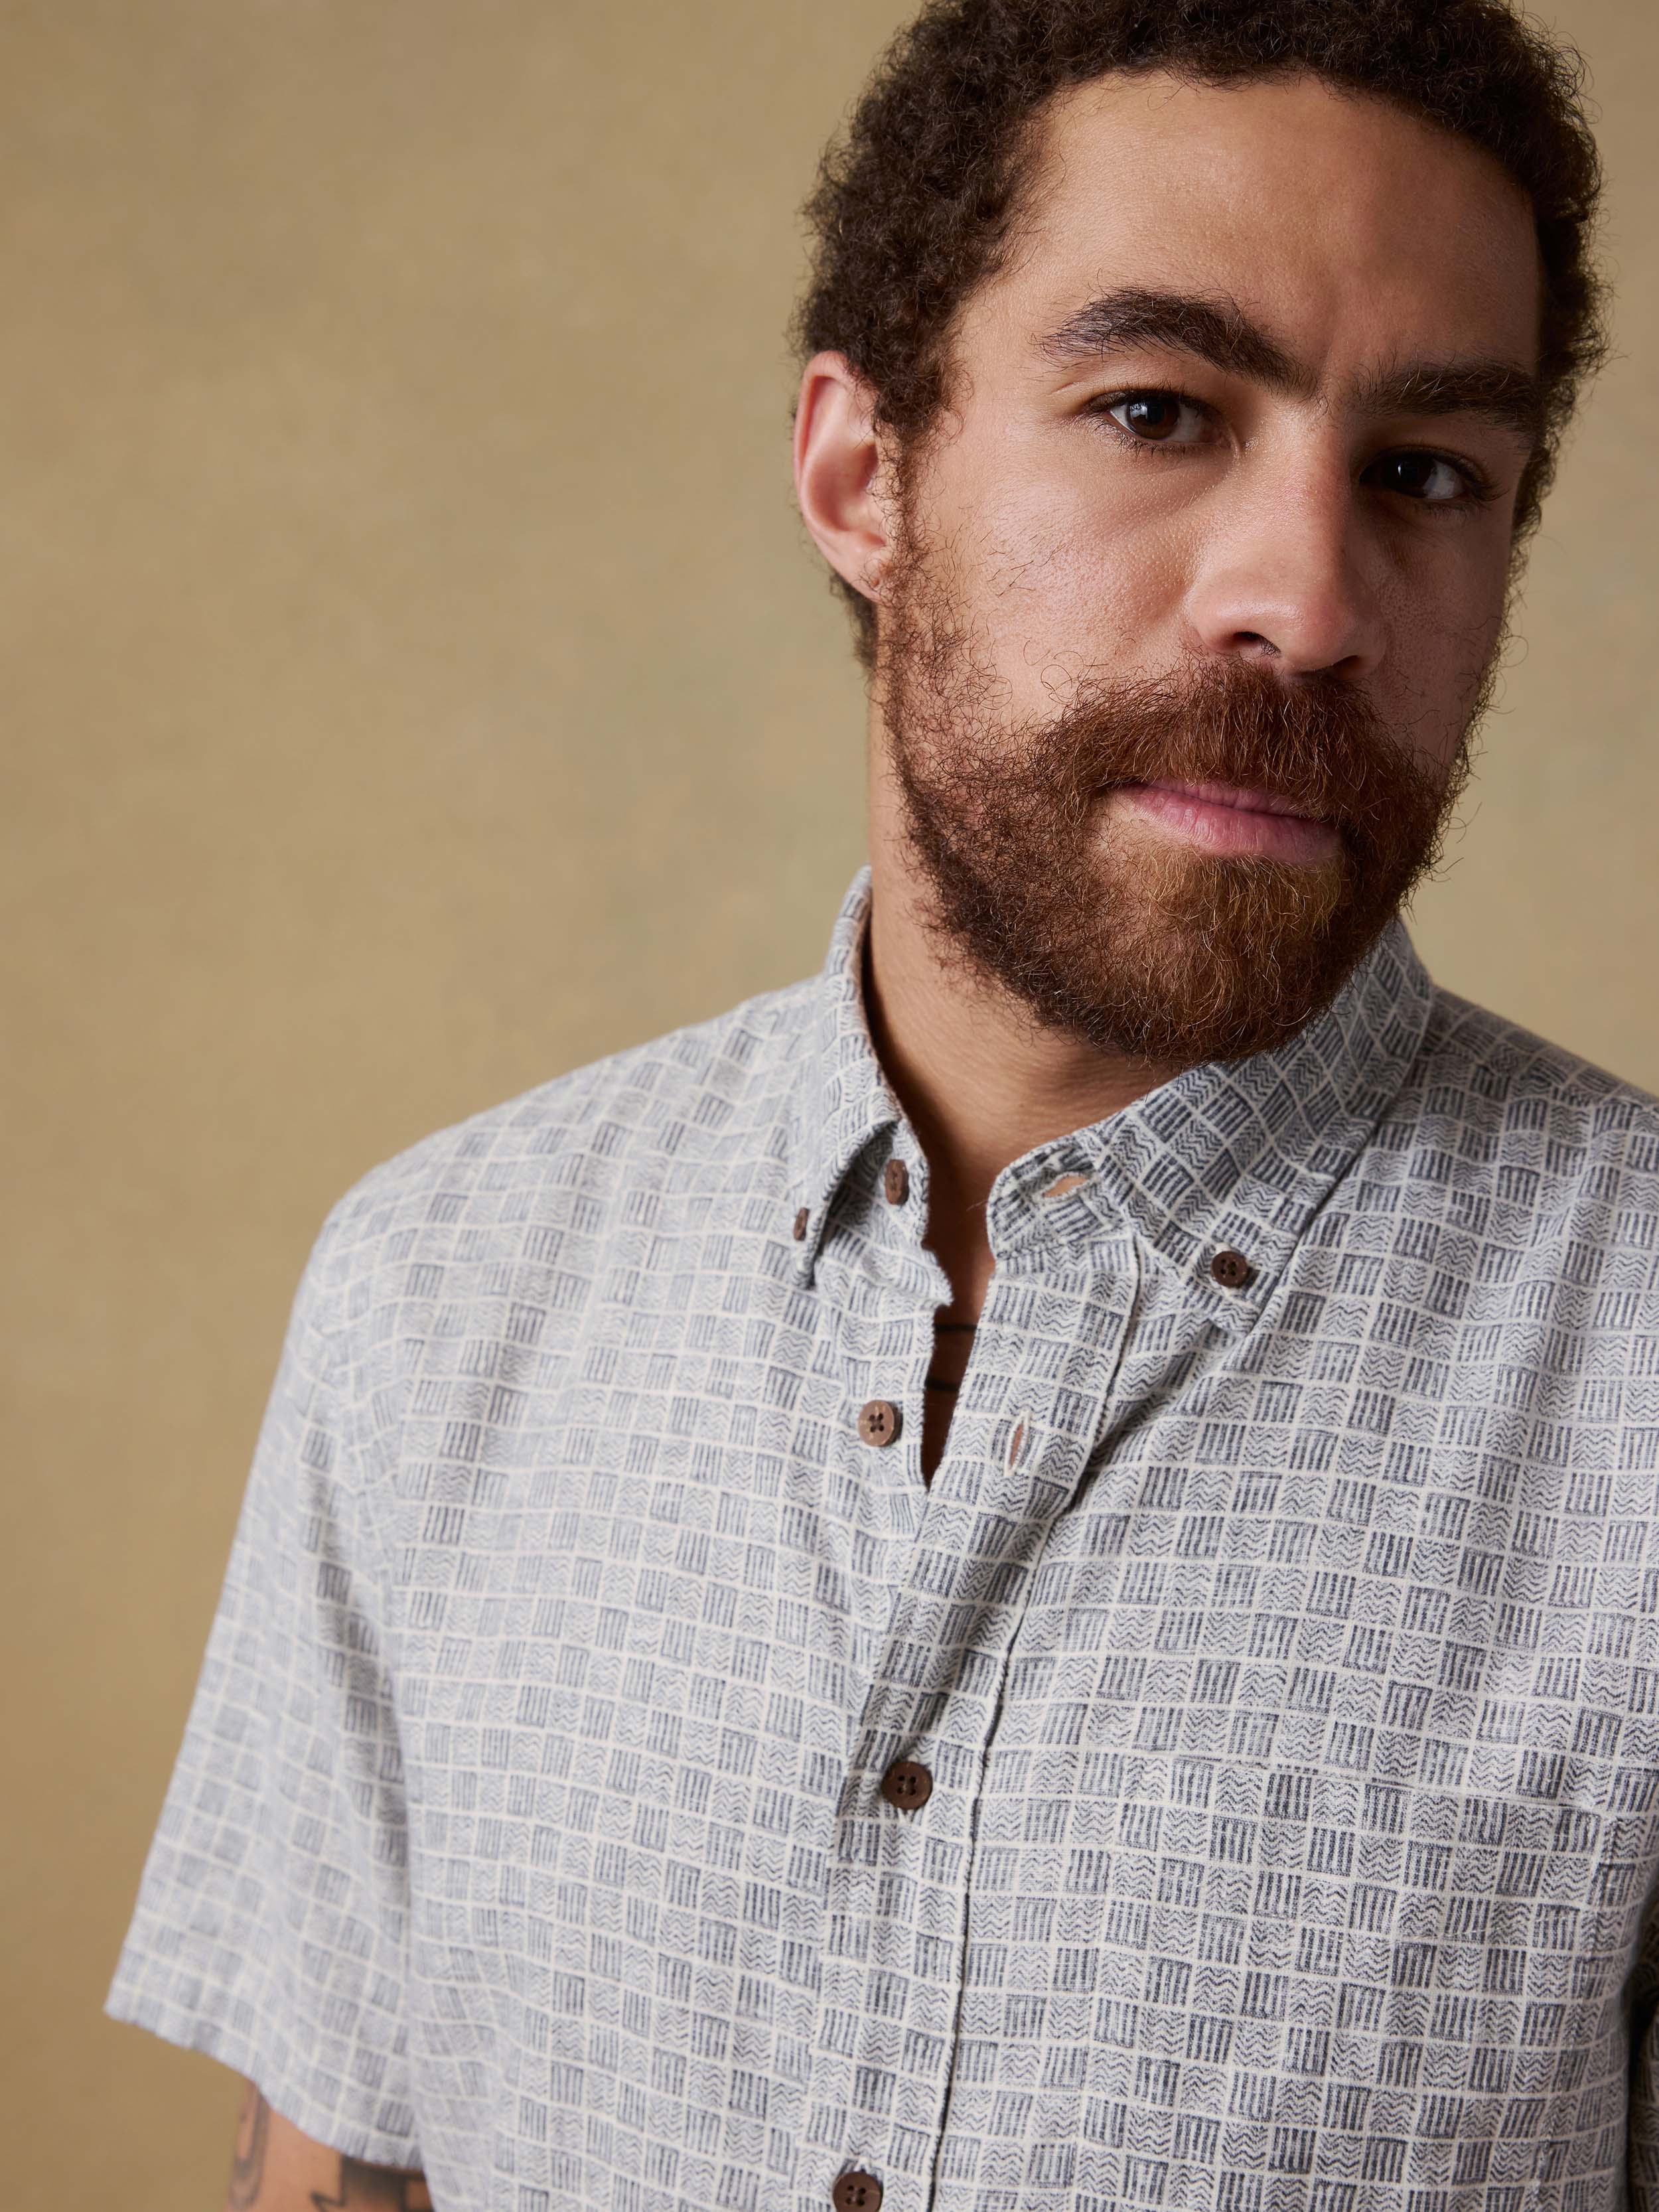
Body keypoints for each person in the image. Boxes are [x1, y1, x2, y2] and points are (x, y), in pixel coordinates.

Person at [107, 2, 1659, 2207]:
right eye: (1154, 411)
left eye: (1424, 475)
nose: (1304, 605)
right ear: (864, 473)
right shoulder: (439, 1293)